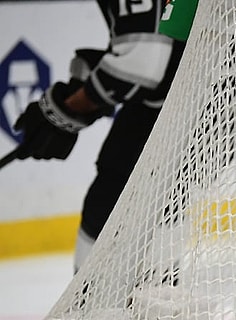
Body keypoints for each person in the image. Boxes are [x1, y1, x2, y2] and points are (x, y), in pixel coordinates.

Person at [12, 0, 187, 272]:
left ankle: (97, 306)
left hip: (221, 76)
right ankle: (155, 303)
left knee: (124, 192)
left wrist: (71, 107)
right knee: (163, 191)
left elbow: (142, 63)